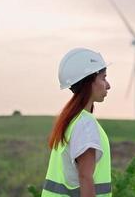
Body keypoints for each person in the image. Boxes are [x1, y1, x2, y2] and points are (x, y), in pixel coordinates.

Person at [41, 48, 112, 197]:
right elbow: (85, 177)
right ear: (89, 81)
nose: (108, 85)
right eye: (103, 78)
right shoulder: (85, 124)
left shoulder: (71, 120)